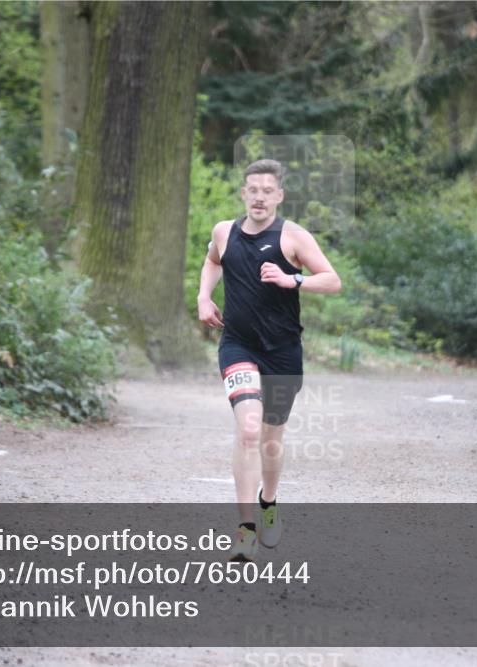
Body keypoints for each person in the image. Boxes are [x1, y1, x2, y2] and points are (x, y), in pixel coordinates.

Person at [196, 158, 342, 562]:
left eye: (267, 191)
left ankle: (269, 503)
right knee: (248, 429)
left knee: (271, 440)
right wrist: (204, 297)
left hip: (282, 351)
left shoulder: (293, 237)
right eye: (252, 190)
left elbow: (332, 280)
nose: (259, 197)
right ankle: (244, 529)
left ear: (278, 195)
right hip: (238, 345)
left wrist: (292, 279)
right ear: (243, 193)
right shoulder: (224, 232)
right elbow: (211, 261)